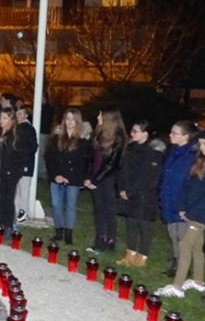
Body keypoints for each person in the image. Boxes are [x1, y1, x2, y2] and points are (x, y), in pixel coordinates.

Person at [156, 129, 205, 298]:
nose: (202, 147)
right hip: (192, 211)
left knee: (184, 245)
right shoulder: (200, 162)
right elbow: (189, 187)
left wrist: (192, 212)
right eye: (200, 143)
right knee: (196, 247)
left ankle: (177, 286)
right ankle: (198, 281)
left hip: (201, 214)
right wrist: (182, 207)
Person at [116, 120, 164, 267]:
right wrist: (121, 188)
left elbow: (148, 177)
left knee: (144, 225)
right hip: (128, 192)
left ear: (145, 133)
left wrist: (130, 191)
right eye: (132, 130)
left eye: (135, 131)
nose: (132, 134)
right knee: (130, 223)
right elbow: (122, 169)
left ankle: (142, 256)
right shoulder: (130, 148)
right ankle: (129, 253)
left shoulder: (153, 153)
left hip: (144, 195)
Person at [44, 108, 91, 245]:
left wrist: (72, 177)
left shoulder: (84, 140)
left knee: (70, 205)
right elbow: (49, 157)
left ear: (78, 121)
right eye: (67, 119)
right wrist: (56, 174)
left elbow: (85, 161)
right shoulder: (56, 138)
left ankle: (68, 233)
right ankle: (59, 231)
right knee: (56, 204)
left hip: (74, 178)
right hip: (56, 177)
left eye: (73, 119)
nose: (70, 122)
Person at [158, 120, 198, 277]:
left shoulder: (192, 156)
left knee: (183, 236)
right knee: (173, 233)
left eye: (175, 133)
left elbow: (191, 182)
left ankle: (184, 267)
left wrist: (186, 205)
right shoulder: (173, 152)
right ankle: (176, 261)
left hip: (181, 202)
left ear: (186, 136)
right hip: (169, 199)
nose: (170, 135)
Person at [84, 108, 126, 253]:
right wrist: (88, 177)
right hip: (95, 177)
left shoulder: (118, 137)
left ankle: (110, 240)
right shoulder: (98, 134)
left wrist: (96, 180)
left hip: (107, 179)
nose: (98, 117)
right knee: (99, 210)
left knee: (109, 210)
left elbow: (111, 163)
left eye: (101, 115)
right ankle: (99, 239)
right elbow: (90, 158)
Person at [0, 107, 22, 237]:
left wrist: (14, 171)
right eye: (1, 118)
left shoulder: (15, 135)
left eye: (5, 118)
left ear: (11, 120)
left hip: (10, 173)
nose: (1, 121)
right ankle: (2, 223)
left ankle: (9, 225)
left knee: (8, 199)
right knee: (0, 198)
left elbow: (19, 156)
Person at [14, 107, 38, 223]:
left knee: (23, 190)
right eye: (17, 113)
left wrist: (22, 160)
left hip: (24, 164)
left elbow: (31, 147)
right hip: (19, 164)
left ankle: (22, 213)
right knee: (17, 190)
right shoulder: (19, 127)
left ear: (26, 115)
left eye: (20, 113)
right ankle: (18, 213)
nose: (18, 115)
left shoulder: (27, 128)